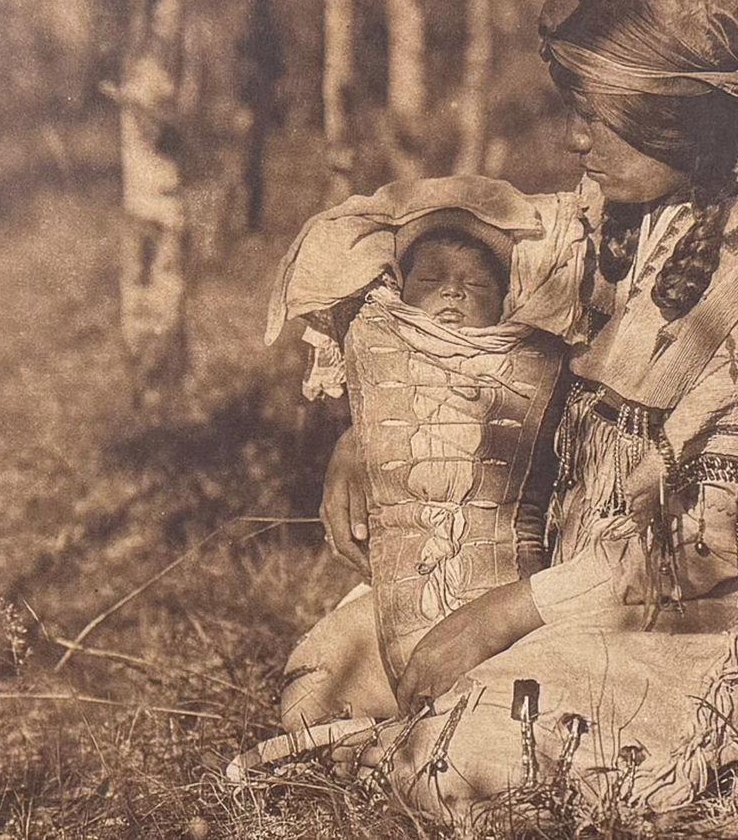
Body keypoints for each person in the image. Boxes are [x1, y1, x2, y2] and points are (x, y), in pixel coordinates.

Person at [279, 0, 738, 824]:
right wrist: (362, 432)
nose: (577, 141)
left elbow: (715, 545)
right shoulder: (628, 215)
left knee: (455, 757)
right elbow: (422, 232)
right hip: (587, 576)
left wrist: (504, 617)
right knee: (325, 676)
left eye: (597, 119)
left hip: (732, 616)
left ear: (670, 124)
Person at [250, 178, 586, 745]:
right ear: (402, 293)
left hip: (515, 604)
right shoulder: (383, 340)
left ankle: (397, 749)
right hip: (404, 592)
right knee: (310, 695)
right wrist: (356, 436)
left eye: (475, 284)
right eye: (430, 281)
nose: (452, 295)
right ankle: (384, 741)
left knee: (492, 722)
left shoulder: (534, 352)